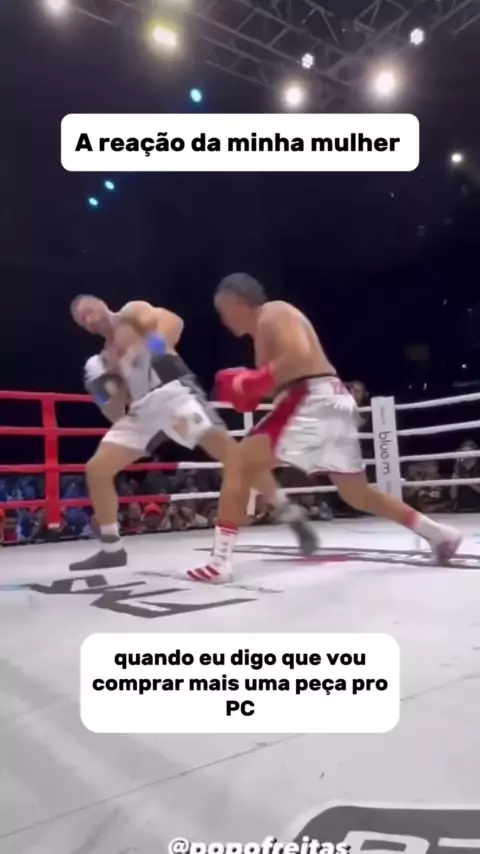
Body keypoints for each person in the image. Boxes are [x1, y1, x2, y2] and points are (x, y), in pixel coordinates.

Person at [187, 273, 461, 582]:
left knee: (238, 461)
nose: (223, 320)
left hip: (311, 397)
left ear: (239, 303)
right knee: (357, 494)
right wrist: (248, 389)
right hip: (328, 400)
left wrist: (249, 382)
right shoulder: (265, 331)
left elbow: (299, 356)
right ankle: (438, 534)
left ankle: (220, 562)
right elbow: (282, 375)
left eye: (224, 311)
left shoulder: (272, 313)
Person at [69, 295, 316, 571]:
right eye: (82, 320)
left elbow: (173, 322)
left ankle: (288, 512)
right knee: (97, 469)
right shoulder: (105, 358)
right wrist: (103, 391)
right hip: (142, 411)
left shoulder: (131, 313)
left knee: (231, 456)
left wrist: (151, 349)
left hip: (173, 396)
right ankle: (112, 548)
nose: (89, 319)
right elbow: (116, 414)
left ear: (102, 304)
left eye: (89, 311)